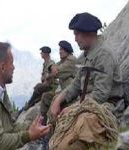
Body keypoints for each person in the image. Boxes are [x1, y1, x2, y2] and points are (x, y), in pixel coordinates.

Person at [49, 12, 123, 149]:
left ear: (89, 33)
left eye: (77, 34)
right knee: (56, 117)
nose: (75, 39)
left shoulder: (104, 55)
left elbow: (101, 95)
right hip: (86, 106)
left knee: (79, 131)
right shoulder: (84, 57)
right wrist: (58, 100)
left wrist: (74, 108)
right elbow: (75, 85)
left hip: (104, 107)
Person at [40, 40, 77, 125]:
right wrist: (52, 69)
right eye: (59, 49)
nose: (60, 51)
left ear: (67, 50)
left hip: (72, 93)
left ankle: (50, 131)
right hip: (64, 91)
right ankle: (43, 125)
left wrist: (53, 71)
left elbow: (57, 72)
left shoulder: (71, 60)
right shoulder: (63, 61)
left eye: (62, 49)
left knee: (54, 101)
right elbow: (51, 70)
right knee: (45, 96)